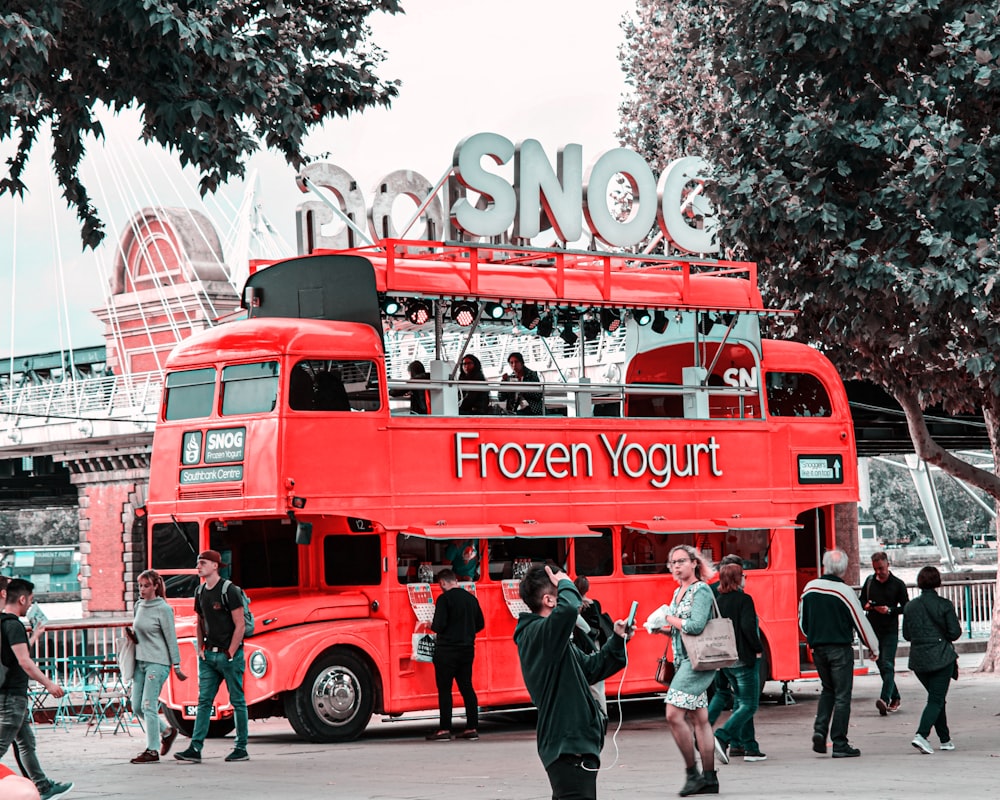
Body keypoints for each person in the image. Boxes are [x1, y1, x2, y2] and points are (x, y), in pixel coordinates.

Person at [514, 564, 629, 800]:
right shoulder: (536, 633)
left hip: (574, 743)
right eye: (560, 591)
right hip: (567, 744)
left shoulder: (550, 638)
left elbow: (591, 668)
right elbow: (568, 610)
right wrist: (565, 581)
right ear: (549, 600)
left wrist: (617, 639)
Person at [799, 548, 879, 759]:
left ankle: (819, 729)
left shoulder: (809, 588)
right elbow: (860, 623)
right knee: (843, 696)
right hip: (840, 649)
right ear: (843, 569)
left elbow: (802, 622)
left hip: (818, 649)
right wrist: (873, 647)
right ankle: (839, 743)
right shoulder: (844, 591)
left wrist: (813, 639)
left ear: (825, 566)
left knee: (828, 690)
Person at [0, 578, 73, 799]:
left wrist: (33, 637)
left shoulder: (3, 623)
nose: (30, 605)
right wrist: (49, 684)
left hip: (7, 693)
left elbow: (14, 656)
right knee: (2, 744)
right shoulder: (13, 625)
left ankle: (43, 787)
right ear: (22, 598)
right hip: (12, 696)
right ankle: (42, 787)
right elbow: (24, 662)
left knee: (26, 743)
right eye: (30, 600)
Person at [174, 550, 249, 764]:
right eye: (198, 563)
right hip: (208, 656)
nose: (199, 567)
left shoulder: (229, 590)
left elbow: (240, 624)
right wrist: (200, 649)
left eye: (203, 563)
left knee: (237, 701)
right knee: (204, 701)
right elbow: (200, 621)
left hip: (229, 656)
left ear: (215, 565)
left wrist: (232, 652)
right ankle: (195, 748)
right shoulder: (199, 592)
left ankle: (241, 748)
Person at [660, 545, 721, 796]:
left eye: (682, 561)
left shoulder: (701, 590)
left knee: (673, 714)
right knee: (699, 719)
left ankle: (692, 774)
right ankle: (709, 778)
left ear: (694, 563)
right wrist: (661, 628)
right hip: (685, 659)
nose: (676, 566)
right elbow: (681, 629)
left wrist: (668, 618)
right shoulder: (678, 592)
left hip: (697, 662)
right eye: (673, 562)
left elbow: (695, 626)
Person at [127, 569, 188, 764]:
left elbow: (171, 639)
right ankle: (168, 732)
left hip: (158, 662)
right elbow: (141, 632)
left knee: (148, 705)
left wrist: (176, 666)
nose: (142, 590)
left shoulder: (163, 609)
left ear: (155, 586)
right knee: (136, 706)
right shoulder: (138, 606)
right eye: (140, 586)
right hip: (140, 661)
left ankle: (152, 750)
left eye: (146, 586)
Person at [708, 562, 766, 763]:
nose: (744, 578)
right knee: (749, 705)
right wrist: (758, 649)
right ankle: (723, 736)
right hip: (743, 658)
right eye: (743, 575)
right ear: (737, 578)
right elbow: (748, 627)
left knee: (741, 703)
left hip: (725, 660)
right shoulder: (745, 600)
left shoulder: (717, 601)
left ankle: (744, 746)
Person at [902, 565, 961, 754]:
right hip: (941, 657)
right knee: (936, 699)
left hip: (919, 660)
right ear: (937, 582)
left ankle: (945, 739)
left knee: (937, 698)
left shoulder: (910, 606)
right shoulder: (944, 605)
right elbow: (955, 633)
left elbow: (906, 635)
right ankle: (921, 735)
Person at [426, 569, 485, 741]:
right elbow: (480, 624)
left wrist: (430, 624)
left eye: (440, 584)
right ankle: (471, 727)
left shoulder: (444, 599)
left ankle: (444, 729)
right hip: (467, 649)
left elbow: (439, 625)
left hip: (446, 651)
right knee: (466, 687)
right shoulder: (471, 599)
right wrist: (465, 632)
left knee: (445, 690)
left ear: (443, 582)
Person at [859, 551, 908, 715]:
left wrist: (890, 610)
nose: (878, 572)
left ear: (888, 564)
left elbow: (906, 607)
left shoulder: (898, 584)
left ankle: (884, 699)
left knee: (887, 664)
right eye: (875, 569)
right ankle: (896, 697)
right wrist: (866, 605)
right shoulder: (870, 581)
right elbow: (861, 601)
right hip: (872, 630)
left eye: (881, 568)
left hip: (890, 629)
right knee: (882, 666)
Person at [571, 576, 614, 719]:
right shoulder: (594, 604)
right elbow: (593, 628)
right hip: (593, 648)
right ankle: (603, 716)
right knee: (598, 688)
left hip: (577, 648)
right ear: (587, 589)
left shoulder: (573, 607)